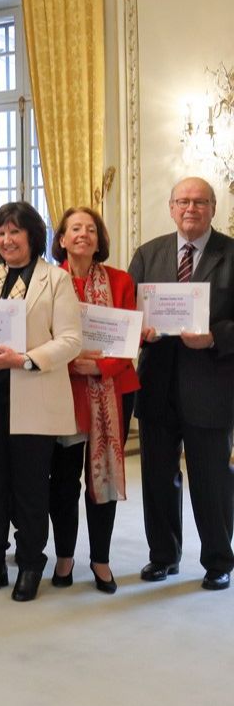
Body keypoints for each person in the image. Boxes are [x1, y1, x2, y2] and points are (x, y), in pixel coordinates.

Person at [0, 201, 81, 602]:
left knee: (31, 489)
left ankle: (30, 563)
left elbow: (70, 340)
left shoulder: (55, 279)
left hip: (33, 395)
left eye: (15, 231)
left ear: (33, 235)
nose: (6, 239)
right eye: (0, 232)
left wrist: (24, 359)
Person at [128, 176, 234, 591]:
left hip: (211, 385)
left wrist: (215, 336)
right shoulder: (148, 253)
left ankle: (218, 561)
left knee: (212, 479)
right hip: (156, 384)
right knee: (157, 477)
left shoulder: (231, 253)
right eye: (183, 201)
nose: (191, 208)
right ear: (171, 207)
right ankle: (163, 556)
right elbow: (128, 312)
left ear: (213, 208)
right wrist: (139, 331)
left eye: (200, 202)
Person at [50, 206, 138, 593]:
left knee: (103, 479)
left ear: (100, 240)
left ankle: (101, 559)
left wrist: (100, 368)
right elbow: (42, 336)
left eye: (90, 229)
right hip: (63, 391)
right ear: (62, 239)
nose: (83, 234)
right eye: (75, 228)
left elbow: (128, 338)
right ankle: (64, 556)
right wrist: (72, 365)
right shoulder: (49, 281)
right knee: (63, 480)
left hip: (113, 388)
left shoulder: (121, 281)